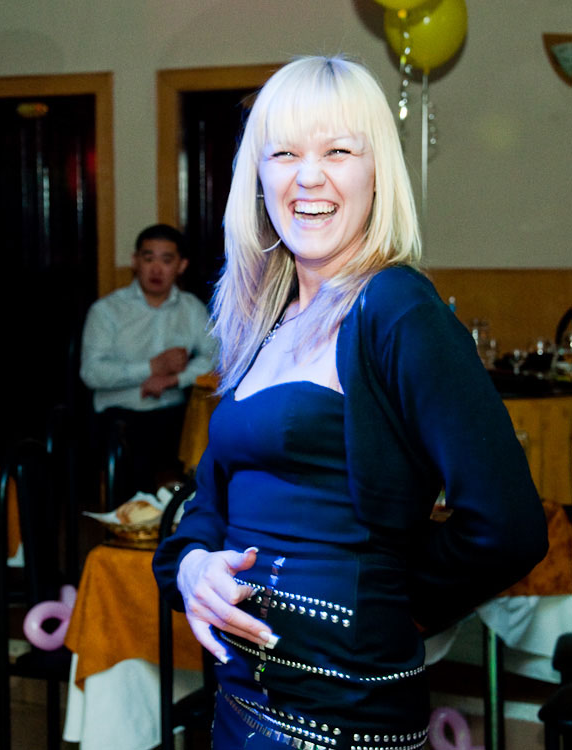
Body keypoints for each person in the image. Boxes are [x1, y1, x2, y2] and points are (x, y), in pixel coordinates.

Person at [152, 55, 548, 748]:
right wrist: (191, 568)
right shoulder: (262, 322)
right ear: (259, 177)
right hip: (239, 704)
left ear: (377, 173)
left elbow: (507, 525)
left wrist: (392, 599)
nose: (309, 177)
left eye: (338, 151)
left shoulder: (396, 307)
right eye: (285, 153)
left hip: (344, 719)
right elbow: (208, 500)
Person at [80, 223, 216, 495]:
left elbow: (216, 358)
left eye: (166, 260)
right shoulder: (107, 310)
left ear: (181, 265)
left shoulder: (191, 308)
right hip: (119, 415)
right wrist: (152, 368)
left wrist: (173, 379)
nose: (156, 269)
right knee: (135, 451)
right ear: (135, 261)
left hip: (174, 414)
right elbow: (92, 372)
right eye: (148, 258)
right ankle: (133, 515)